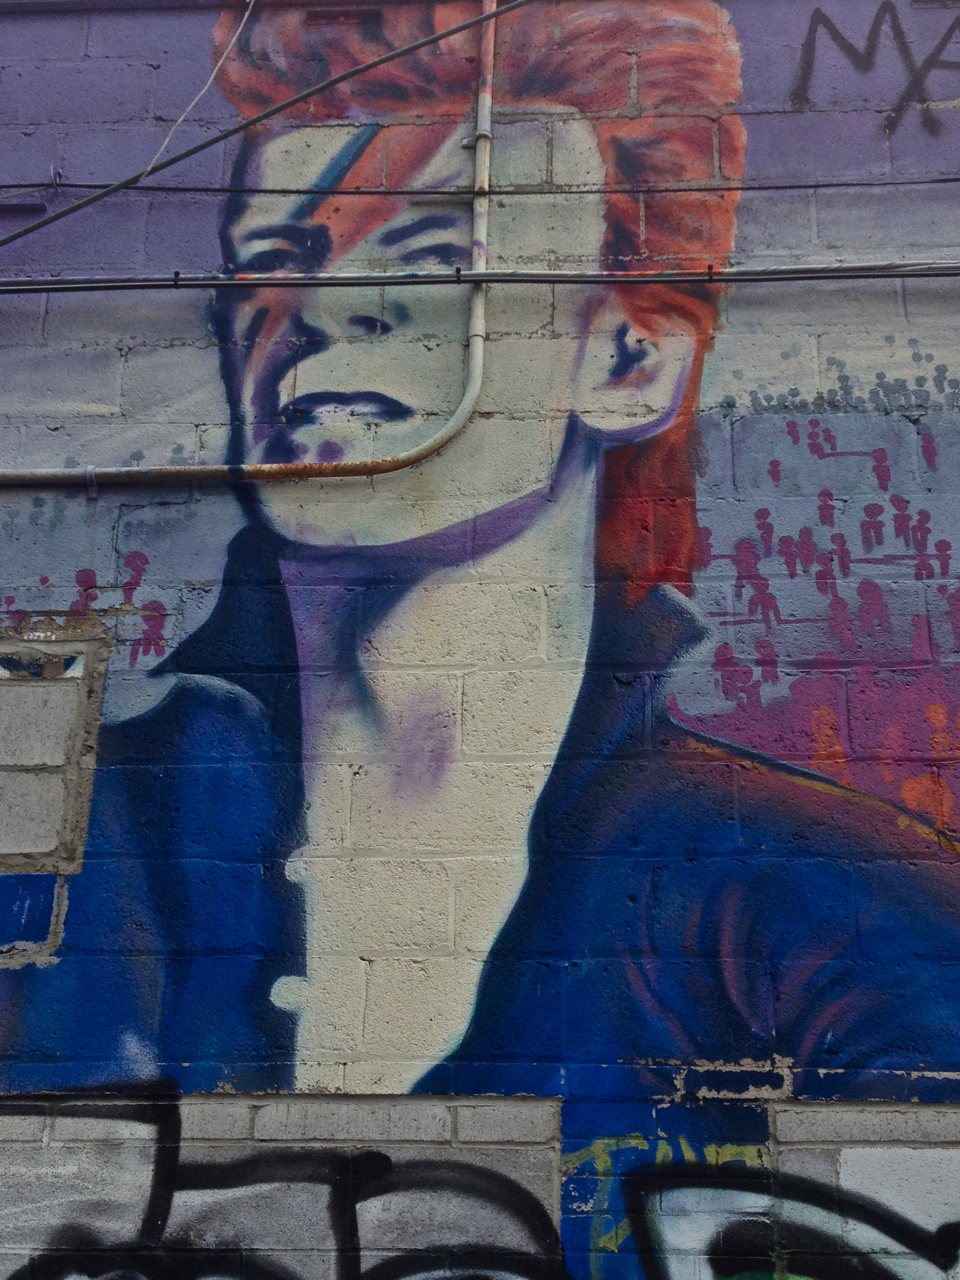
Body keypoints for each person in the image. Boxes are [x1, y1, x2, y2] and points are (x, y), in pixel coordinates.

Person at [4, 0, 960, 1102]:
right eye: (276, 258)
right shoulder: (70, 838)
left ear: (630, 364)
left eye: (438, 258)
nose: (326, 309)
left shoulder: (813, 911)